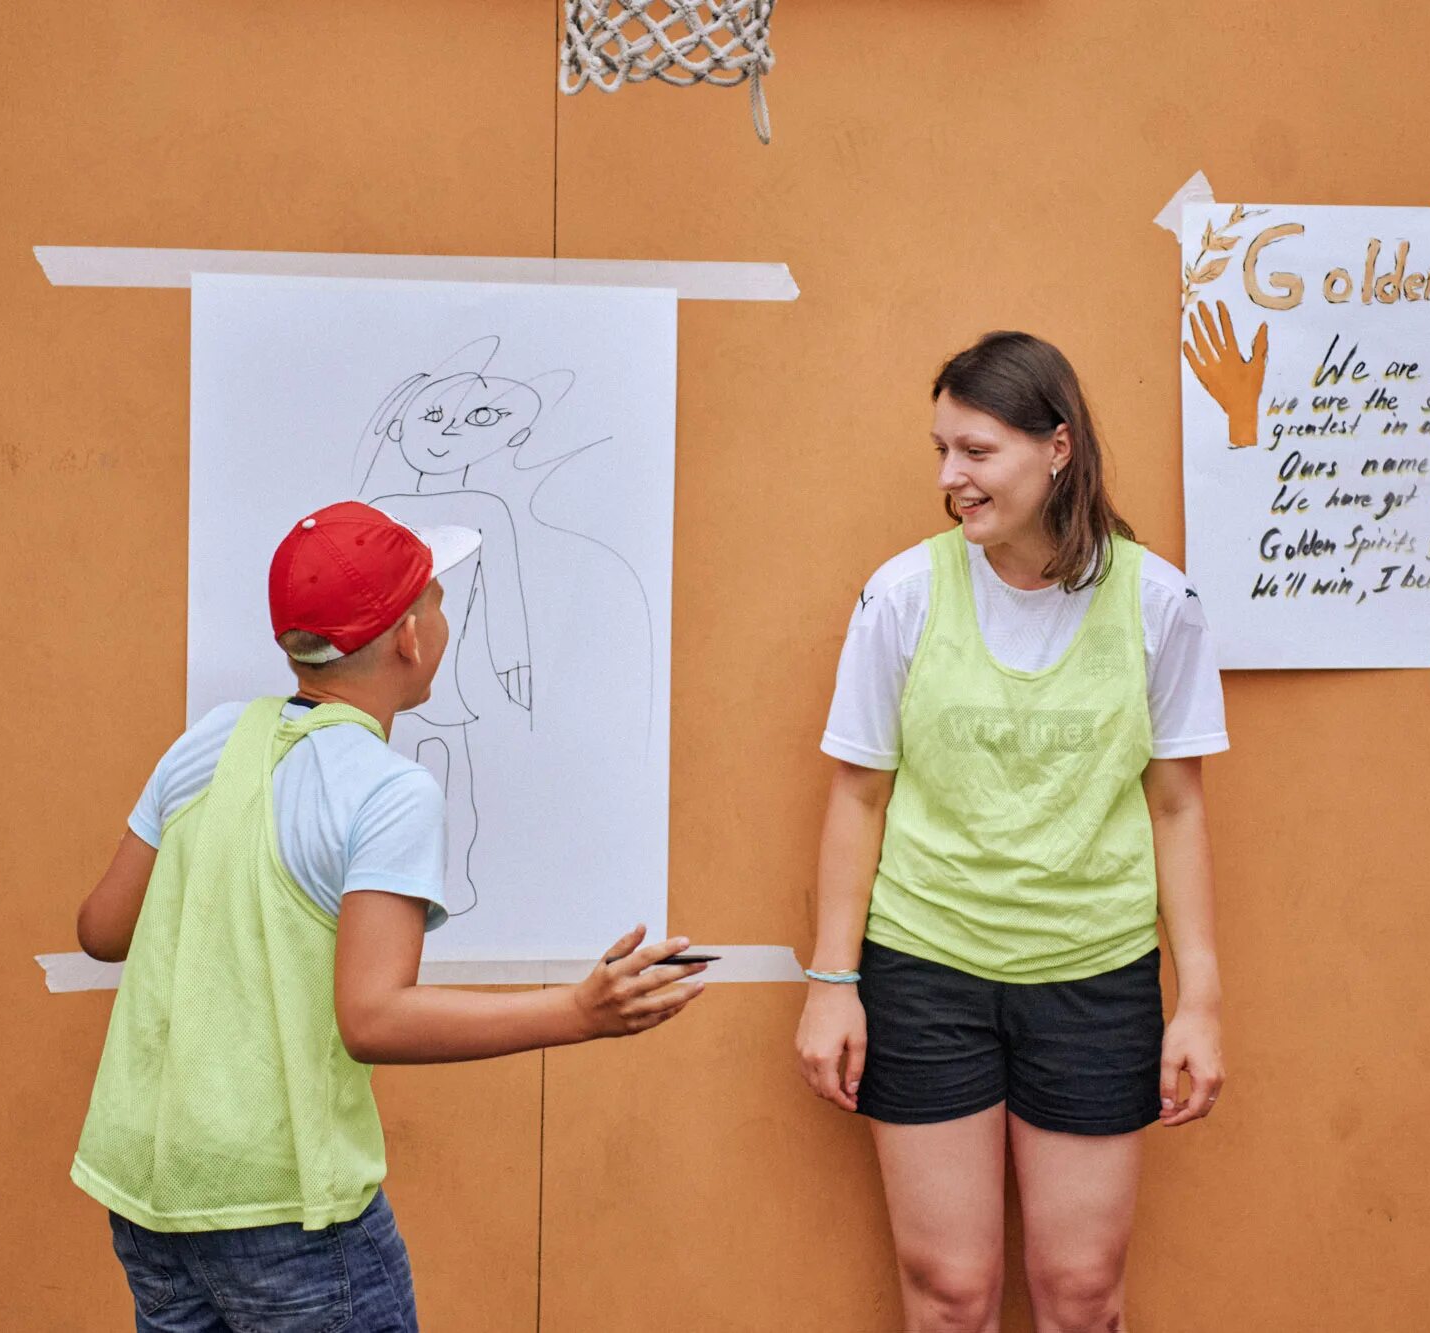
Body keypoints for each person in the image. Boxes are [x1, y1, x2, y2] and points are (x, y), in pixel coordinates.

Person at [71, 500, 705, 1332]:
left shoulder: (211, 739)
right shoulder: (386, 789)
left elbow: (102, 930)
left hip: (151, 1198)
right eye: (437, 600)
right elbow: (372, 1017)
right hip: (287, 1206)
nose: (446, 616)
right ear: (410, 637)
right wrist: (577, 1012)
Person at [794, 333, 1229, 1333]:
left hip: (1095, 973)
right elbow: (856, 795)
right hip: (925, 965)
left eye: (977, 451)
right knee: (949, 1295)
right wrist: (830, 983)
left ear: (1057, 448)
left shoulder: (1158, 604)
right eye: (942, 449)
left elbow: (1176, 805)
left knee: (1081, 1294)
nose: (951, 477)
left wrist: (1197, 996)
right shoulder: (902, 594)